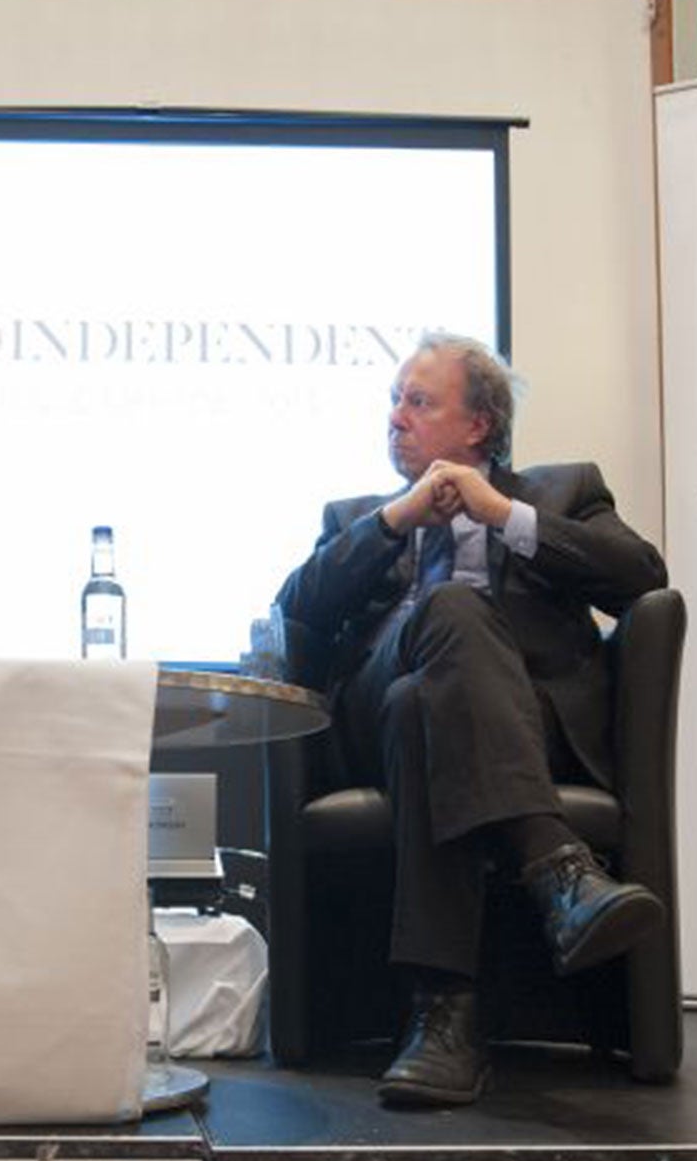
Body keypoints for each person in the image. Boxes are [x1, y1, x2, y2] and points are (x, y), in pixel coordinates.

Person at [275, 332, 668, 1108]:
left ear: (479, 425)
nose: (395, 418)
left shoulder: (563, 495)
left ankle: (444, 1019)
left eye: (417, 402)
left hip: (516, 722)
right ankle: (559, 868)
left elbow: (642, 578)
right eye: (393, 401)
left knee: (422, 705)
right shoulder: (359, 516)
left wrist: (506, 517)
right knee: (443, 622)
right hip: (367, 723)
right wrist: (395, 522)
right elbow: (297, 607)